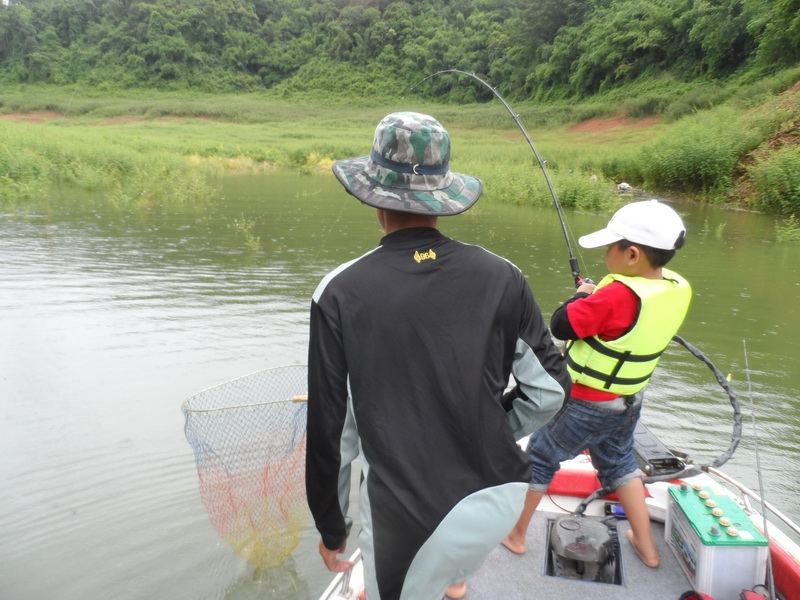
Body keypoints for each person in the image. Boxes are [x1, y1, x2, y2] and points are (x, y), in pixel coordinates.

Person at [306, 112, 570, 600]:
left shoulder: (340, 293)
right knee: (451, 567)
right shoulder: (503, 276)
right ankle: (454, 581)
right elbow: (550, 392)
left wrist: (332, 528)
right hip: (500, 495)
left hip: (409, 519)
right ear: (442, 198)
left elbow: (332, 431)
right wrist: (489, 429)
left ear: (374, 200)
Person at [502, 199, 691, 569]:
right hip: (628, 401)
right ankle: (647, 548)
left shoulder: (617, 295)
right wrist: (597, 294)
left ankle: (516, 535)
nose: (607, 253)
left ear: (633, 254)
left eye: (612, 246)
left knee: (539, 457)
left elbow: (560, 324)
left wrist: (582, 295)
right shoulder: (675, 286)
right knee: (620, 464)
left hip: (586, 403)